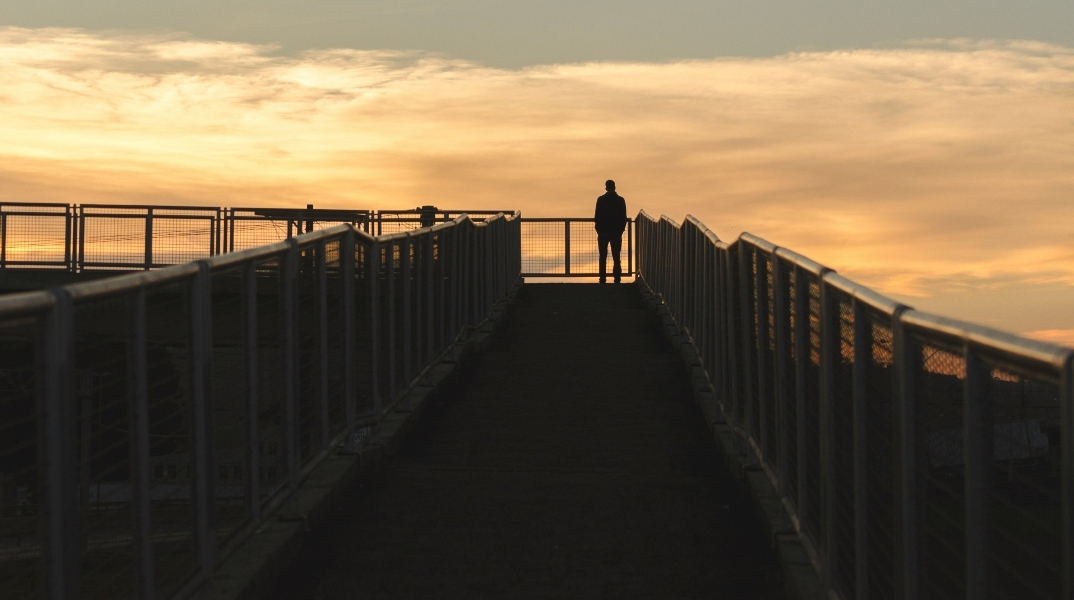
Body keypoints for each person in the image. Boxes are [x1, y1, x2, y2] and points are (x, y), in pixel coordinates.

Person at [594, 180, 627, 283]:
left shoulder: (601, 199)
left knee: (603, 256)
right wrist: (621, 230)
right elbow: (623, 217)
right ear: (615, 187)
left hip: (603, 232)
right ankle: (617, 278)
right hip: (616, 232)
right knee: (616, 256)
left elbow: (597, 216)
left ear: (606, 188)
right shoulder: (620, 200)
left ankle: (602, 278)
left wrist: (599, 229)